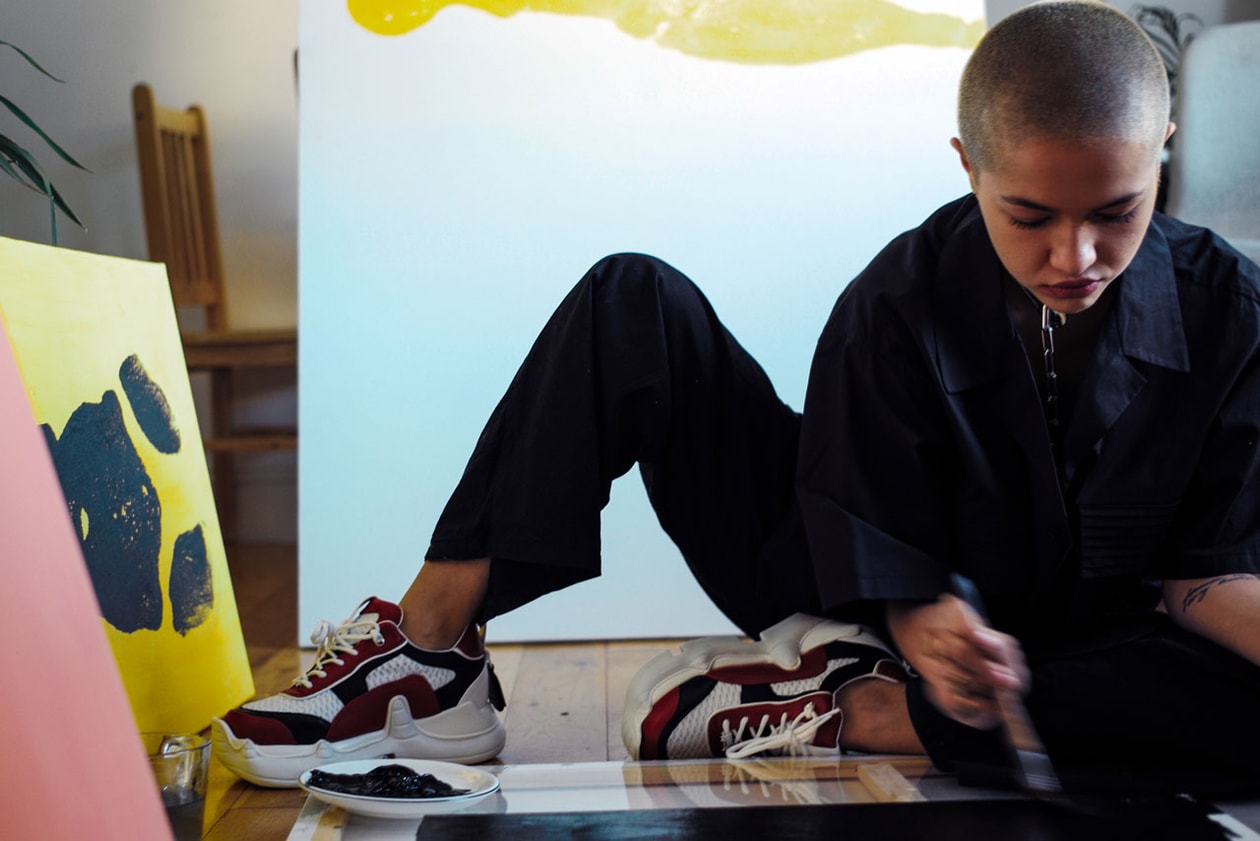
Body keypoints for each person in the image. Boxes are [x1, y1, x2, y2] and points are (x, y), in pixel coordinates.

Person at [214, 0, 1260, 792]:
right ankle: (431, 651)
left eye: (1118, 211)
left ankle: (862, 711)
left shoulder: (1237, 310)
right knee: (635, 298)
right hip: (872, 598)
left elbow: (1206, 576)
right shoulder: (896, 295)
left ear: (1163, 151)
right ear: (966, 165)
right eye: (1028, 214)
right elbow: (871, 526)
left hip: (1096, 644)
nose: (1074, 255)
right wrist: (924, 614)